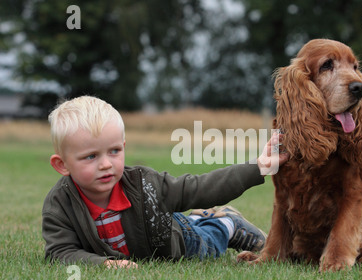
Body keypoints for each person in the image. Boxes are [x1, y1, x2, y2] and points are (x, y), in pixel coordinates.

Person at [42, 96, 288, 268]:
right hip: (163, 221)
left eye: (114, 151)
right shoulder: (59, 205)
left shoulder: (144, 184)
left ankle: (227, 223)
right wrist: (103, 264)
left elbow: (198, 188)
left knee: (210, 245)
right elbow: (61, 253)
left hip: (180, 240)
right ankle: (201, 217)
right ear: (62, 164)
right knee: (186, 221)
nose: (106, 164)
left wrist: (258, 167)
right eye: (91, 156)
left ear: (123, 147)